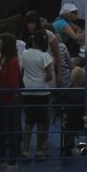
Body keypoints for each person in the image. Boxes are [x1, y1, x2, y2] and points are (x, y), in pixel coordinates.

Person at [18, 30, 55, 161]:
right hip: (42, 92)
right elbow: (49, 76)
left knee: (28, 121)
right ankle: (39, 151)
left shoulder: (24, 54)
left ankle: (26, 151)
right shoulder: (45, 56)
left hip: (27, 92)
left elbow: (21, 71)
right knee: (40, 122)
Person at [0, 32, 22, 164]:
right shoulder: (2, 59)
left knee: (10, 131)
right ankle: (2, 158)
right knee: (1, 130)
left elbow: (13, 83)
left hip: (9, 101)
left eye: (0, 43)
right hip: (1, 100)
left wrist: (0, 92)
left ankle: (12, 161)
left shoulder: (13, 61)